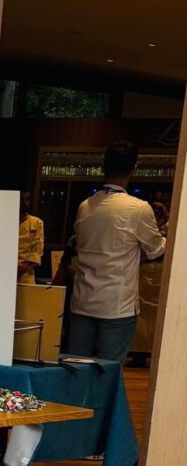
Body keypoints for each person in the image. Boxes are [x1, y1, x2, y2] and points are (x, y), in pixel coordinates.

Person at [65, 139, 166, 362]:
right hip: (117, 304)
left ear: (103, 166)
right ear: (134, 169)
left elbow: (79, 244)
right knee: (109, 371)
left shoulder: (85, 206)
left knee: (75, 369)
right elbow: (157, 251)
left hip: (83, 300)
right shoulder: (139, 208)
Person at [18, 190, 44, 284]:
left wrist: (24, 266)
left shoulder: (36, 222)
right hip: (6, 270)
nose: (24, 203)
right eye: (21, 199)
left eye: (27, 199)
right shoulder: (6, 221)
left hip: (27, 274)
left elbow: (37, 249)